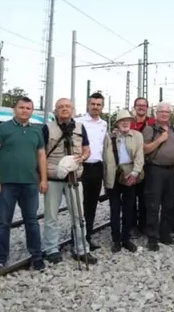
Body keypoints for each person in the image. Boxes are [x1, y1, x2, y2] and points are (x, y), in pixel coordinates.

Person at [0, 96, 47, 271]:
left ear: (32, 111)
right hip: (6, 185)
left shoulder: (37, 131)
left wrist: (43, 179)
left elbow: (41, 155)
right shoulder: (2, 129)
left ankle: (36, 256)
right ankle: (0, 258)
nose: (25, 111)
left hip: (30, 184)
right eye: (22, 107)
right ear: (14, 109)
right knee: (3, 222)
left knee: (32, 221)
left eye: (28, 108)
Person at [42, 98, 96, 264]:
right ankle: (51, 249)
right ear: (55, 110)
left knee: (79, 215)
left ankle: (81, 248)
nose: (64, 109)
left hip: (74, 177)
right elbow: (41, 154)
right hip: (53, 178)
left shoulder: (80, 127)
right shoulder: (47, 128)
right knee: (51, 216)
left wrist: (82, 158)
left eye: (67, 106)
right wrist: (42, 178)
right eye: (60, 107)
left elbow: (87, 150)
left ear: (72, 109)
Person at [103, 109, 145, 253]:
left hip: (130, 173)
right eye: (122, 120)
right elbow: (105, 158)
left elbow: (140, 156)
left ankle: (126, 239)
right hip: (114, 175)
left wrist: (134, 173)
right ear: (118, 123)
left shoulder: (138, 136)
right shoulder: (110, 137)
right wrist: (106, 180)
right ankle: (116, 240)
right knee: (115, 209)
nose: (125, 122)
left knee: (129, 208)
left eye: (128, 120)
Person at [141, 102, 174, 250]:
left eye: (166, 112)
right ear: (156, 114)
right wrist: (159, 140)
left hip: (171, 171)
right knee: (153, 205)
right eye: (161, 111)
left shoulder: (172, 129)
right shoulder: (149, 129)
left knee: (169, 205)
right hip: (155, 170)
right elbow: (145, 149)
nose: (164, 114)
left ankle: (165, 234)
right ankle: (152, 238)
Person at [77, 92, 108, 250]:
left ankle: (87, 237)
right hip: (82, 167)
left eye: (99, 105)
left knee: (91, 205)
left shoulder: (104, 124)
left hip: (97, 167)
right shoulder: (78, 122)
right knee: (79, 206)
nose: (95, 107)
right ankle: (77, 239)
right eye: (93, 104)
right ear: (88, 105)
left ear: (102, 107)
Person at [130, 97, 155, 234]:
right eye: (138, 105)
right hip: (131, 164)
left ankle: (144, 224)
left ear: (147, 107)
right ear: (134, 107)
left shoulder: (152, 122)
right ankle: (132, 224)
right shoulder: (129, 122)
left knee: (145, 196)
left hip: (147, 165)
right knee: (131, 196)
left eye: (144, 105)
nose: (141, 107)